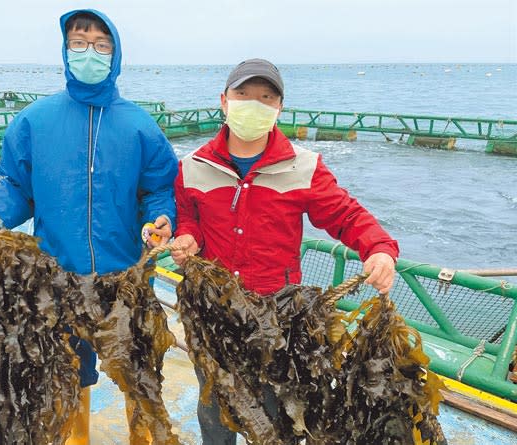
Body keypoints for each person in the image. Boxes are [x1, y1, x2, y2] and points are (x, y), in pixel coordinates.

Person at [0, 9, 177, 445]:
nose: (90, 52)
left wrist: (163, 217)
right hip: (57, 279)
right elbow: (15, 184)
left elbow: (158, 188)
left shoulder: (139, 125)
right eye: (79, 43)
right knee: (67, 376)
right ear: (65, 50)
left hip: (127, 278)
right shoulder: (35, 121)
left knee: (138, 374)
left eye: (101, 44)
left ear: (115, 54)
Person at [171, 58, 399, 444]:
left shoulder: (303, 166)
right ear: (224, 102)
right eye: (243, 95)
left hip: (280, 316)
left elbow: (344, 214)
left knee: (279, 411)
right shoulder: (192, 166)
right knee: (215, 409)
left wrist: (377, 248)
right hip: (213, 312)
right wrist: (188, 237)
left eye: (265, 97)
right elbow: (188, 219)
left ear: (279, 108)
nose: (253, 104)